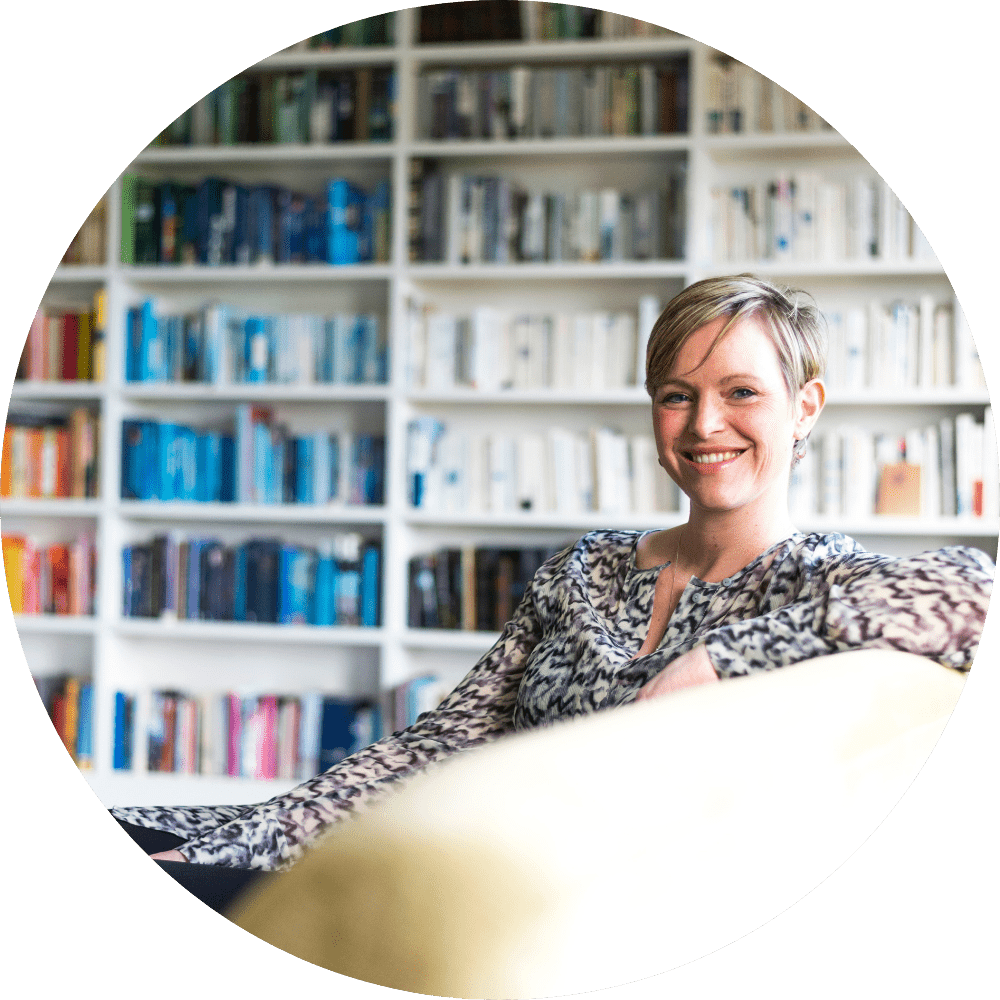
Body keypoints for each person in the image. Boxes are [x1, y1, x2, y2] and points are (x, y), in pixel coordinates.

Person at [112, 274, 993, 906]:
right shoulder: (588, 565)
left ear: (805, 407)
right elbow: (436, 745)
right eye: (676, 395)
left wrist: (724, 657)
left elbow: (973, 588)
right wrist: (242, 841)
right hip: (443, 837)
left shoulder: (821, 578)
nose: (705, 424)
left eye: (741, 392)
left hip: (541, 895)